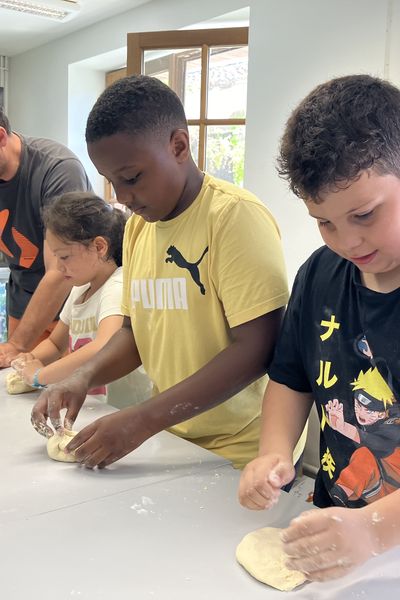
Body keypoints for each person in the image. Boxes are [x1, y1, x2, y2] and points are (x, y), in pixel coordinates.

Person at [31, 74, 307, 470]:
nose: (123, 197)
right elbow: (133, 333)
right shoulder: (141, 228)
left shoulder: (232, 218)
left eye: (132, 178)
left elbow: (257, 348)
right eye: (111, 182)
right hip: (178, 438)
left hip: (246, 453)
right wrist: (82, 376)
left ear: (179, 146)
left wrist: (143, 419)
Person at [238, 74, 400, 581]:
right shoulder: (320, 274)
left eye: (365, 214)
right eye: (324, 222)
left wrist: (376, 530)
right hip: (337, 530)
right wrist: (273, 451)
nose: (348, 241)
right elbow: (291, 379)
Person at [10, 191, 132, 413]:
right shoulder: (79, 289)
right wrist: (29, 360)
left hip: (117, 412)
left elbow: (105, 346)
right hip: (91, 407)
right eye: (55, 257)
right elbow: (56, 344)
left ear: (99, 247)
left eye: (64, 257)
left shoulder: (117, 286)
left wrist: (40, 375)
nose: (58, 267)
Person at [0, 107, 92, 367]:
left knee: (66, 398)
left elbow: (62, 269)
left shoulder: (59, 170)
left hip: (71, 308)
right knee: (15, 391)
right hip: (24, 305)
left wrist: (17, 345)